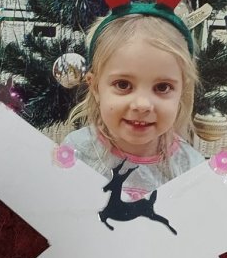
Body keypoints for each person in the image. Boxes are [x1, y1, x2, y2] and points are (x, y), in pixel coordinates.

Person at [62, 13, 205, 189]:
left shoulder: (191, 168)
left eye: (162, 87)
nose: (142, 105)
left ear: (182, 91)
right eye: (123, 85)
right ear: (95, 88)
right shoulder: (77, 151)